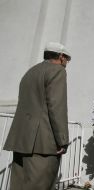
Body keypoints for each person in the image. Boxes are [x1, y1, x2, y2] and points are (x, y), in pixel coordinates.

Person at [3, 42, 71, 190]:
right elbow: (56, 107)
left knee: (18, 186)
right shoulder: (57, 70)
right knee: (40, 185)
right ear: (61, 56)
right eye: (67, 59)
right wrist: (63, 140)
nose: (67, 62)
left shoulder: (30, 72)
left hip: (21, 140)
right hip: (43, 143)